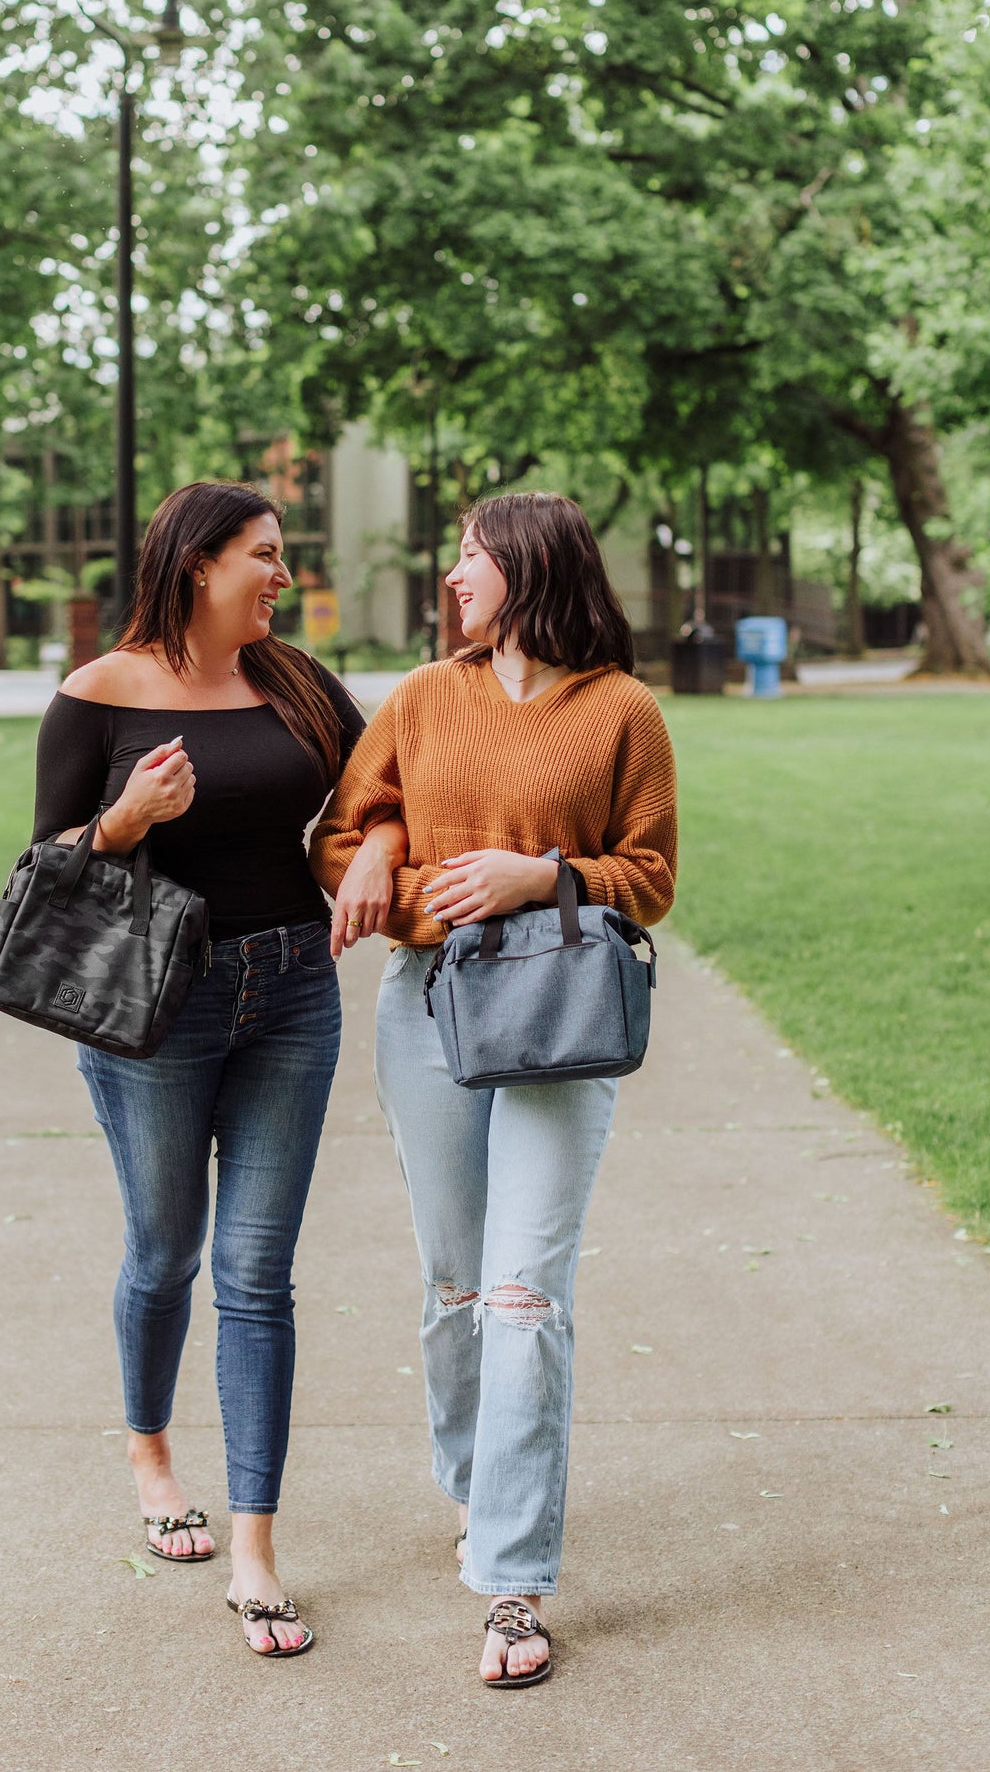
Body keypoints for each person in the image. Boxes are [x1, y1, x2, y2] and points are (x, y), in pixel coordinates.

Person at [314, 491, 678, 1688]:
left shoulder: (622, 711)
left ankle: (513, 1582)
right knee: (454, 1284)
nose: (455, 575)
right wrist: (378, 851)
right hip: (428, 1013)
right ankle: (482, 1491)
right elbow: (343, 835)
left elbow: (649, 877)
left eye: (472, 557)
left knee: (524, 1296)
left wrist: (541, 876)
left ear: (527, 568)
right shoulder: (422, 698)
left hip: (561, 1022)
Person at [32, 481, 400, 1657]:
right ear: (198, 562)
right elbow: (41, 868)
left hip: (292, 989)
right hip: (156, 1006)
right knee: (164, 1250)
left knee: (255, 1274)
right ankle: (150, 1461)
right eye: (263, 554)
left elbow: (380, 793)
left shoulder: (292, 681)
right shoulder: (98, 696)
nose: (281, 575)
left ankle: (254, 1550)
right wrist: (123, 822)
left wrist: (376, 848)